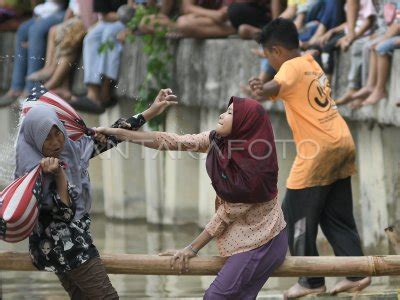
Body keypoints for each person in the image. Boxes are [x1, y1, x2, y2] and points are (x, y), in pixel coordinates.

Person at [96, 96, 288, 299]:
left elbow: (225, 215)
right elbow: (175, 141)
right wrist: (121, 134)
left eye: (231, 113)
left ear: (244, 124)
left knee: (215, 297)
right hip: (244, 239)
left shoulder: (258, 170)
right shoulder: (219, 142)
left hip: (263, 242)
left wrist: (191, 248)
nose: (222, 115)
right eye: (226, 110)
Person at [248, 18, 371, 298]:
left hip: (318, 151)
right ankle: (356, 272)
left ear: (276, 51)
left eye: (268, 56)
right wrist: (267, 90)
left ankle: (310, 280)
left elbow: (276, 85)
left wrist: (261, 87)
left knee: (293, 215)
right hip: (342, 141)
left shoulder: (289, 67)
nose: (270, 62)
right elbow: (285, 90)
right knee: (335, 216)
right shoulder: (310, 63)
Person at [15, 88, 177, 298]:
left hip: (76, 243)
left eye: (58, 133)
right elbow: (64, 212)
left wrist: (150, 112)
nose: (56, 142)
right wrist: (58, 175)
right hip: (67, 251)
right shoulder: (33, 174)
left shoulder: (70, 151)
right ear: (36, 140)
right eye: (47, 138)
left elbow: (112, 136)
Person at [0, 0, 68, 107]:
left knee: (35, 30)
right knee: (22, 30)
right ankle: (16, 87)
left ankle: (31, 89)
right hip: (47, 10)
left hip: (66, 10)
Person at [70, 0, 127, 114]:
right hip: (112, 20)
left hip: (128, 21)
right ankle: (92, 94)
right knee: (90, 38)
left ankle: (104, 94)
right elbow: (105, 15)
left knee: (109, 35)